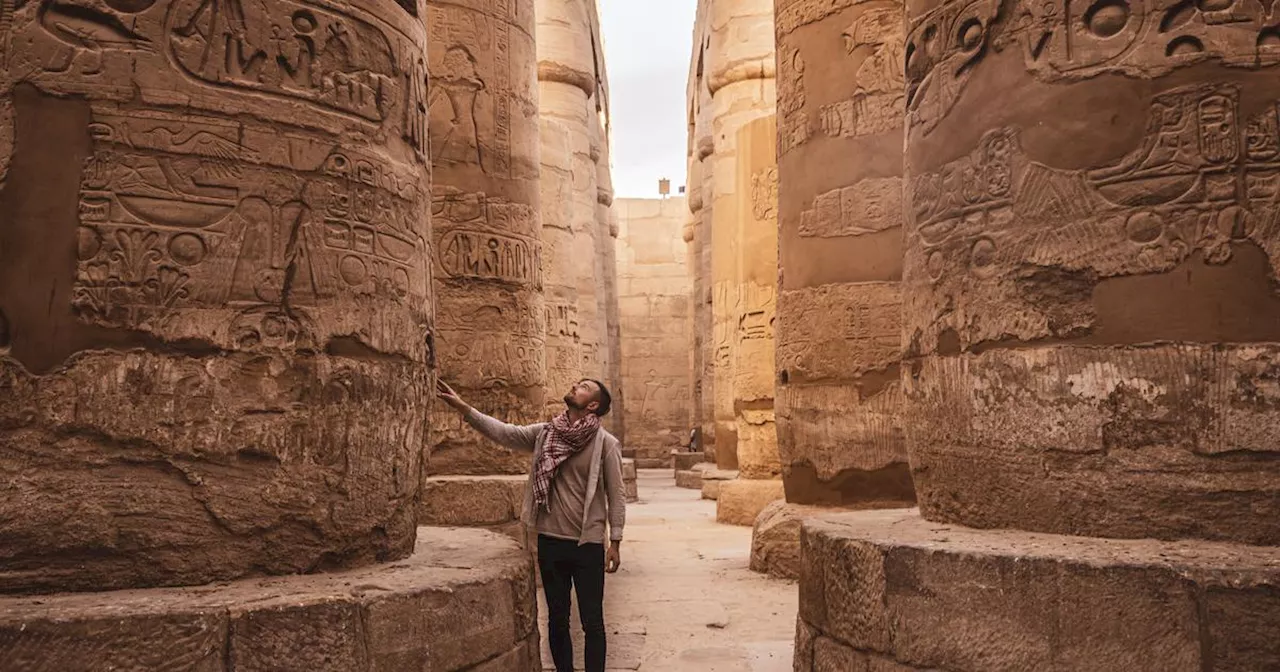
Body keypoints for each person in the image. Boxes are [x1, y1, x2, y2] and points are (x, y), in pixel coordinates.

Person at [436, 378, 626, 672]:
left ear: (593, 405)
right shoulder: (546, 434)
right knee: (558, 619)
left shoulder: (606, 444)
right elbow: (505, 434)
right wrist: (465, 409)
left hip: (586, 544)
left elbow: (617, 494)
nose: (575, 385)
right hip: (551, 541)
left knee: (593, 622)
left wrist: (615, 540)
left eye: (584, 386)